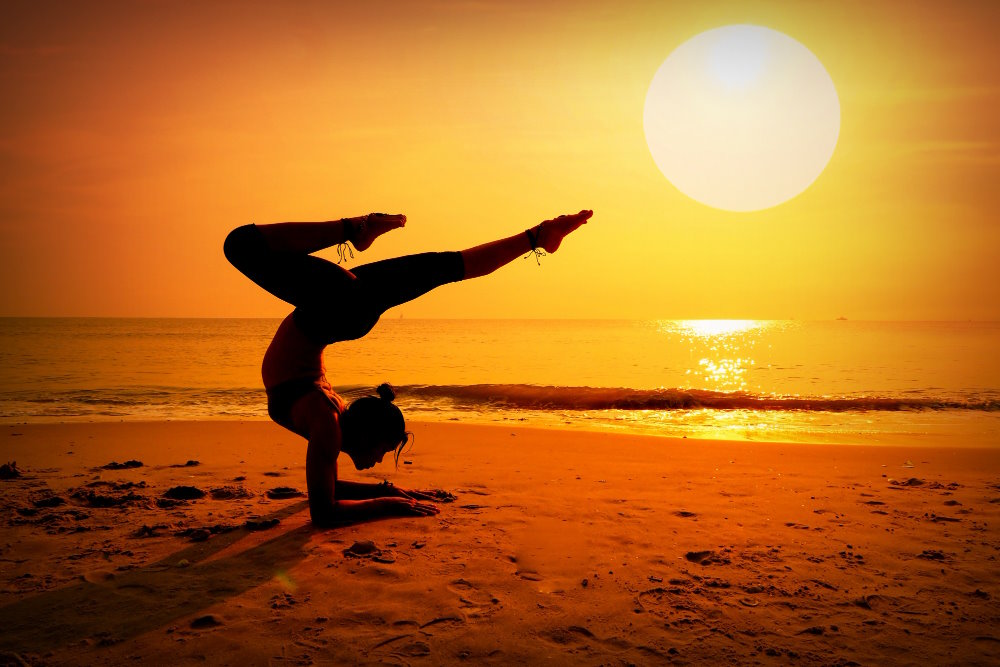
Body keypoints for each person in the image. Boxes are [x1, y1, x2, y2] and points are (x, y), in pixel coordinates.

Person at [224, 209, 592, 525]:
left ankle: (536, 236)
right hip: (337, 310)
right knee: (448, 266)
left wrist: (389, 492)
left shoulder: (328, 425)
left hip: (337, 311)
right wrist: (387, 502)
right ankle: (536, 236)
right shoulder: (327, 425)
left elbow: (324, 497)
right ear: (365, 435)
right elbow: (325, 508)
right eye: (383, 451)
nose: (378, 460)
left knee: (448, 266)